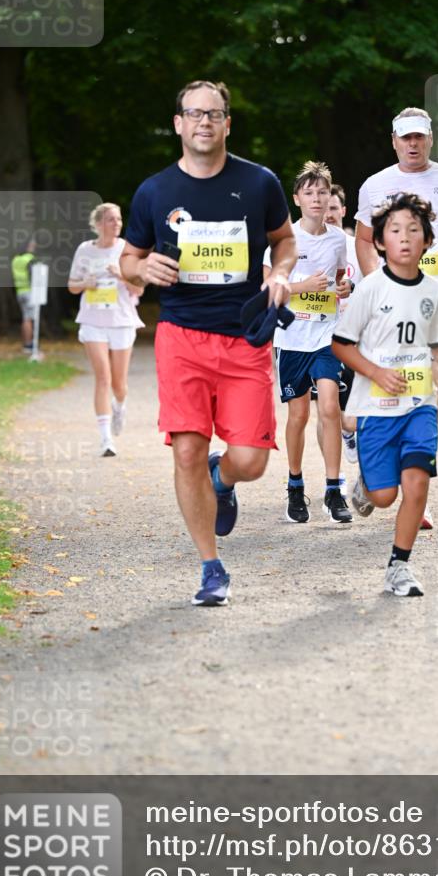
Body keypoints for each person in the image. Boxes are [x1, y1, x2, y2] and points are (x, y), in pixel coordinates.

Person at [120, 79, 296, 607]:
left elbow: (285, 240)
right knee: (187, 450)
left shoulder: (259, 182)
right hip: (181, 336)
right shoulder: (154, 191)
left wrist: (279, 273)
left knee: (252, 460)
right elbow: (127, 259)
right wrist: (141, 269)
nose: (204, 122)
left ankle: (223, 477)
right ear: (178, 123)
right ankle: (211, 568)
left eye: (213, 114)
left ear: (227, 124)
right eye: (194, 114)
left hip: (244, 337)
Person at [355, 107, 438, 530]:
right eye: (406, 137)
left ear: (430, 139)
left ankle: (417, 493)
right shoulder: (375, 185)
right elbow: (363, 241)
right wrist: (375, 282)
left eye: (419, 136)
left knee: (432, 395)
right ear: (394, 141)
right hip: (390, 306)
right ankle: (375, 465)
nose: (413, 143)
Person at [332, 193, 438, 596]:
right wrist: (376, 372)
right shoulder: (370, 289)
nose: (405, 237)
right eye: (394, 230)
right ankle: (367, 484)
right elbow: (341, 345)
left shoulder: (436, 292)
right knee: (384, 496)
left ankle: (399, 567)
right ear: (379, 241)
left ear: (428, 241)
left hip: (419, 404)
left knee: (417, 483)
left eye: (413, 230)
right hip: (376, 406)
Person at [266, 161, 352, 524]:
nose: (317, 198)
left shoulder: (338, 239)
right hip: (291, 338)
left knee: (330, 406)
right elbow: (268, 287)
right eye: (310, 192)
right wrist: (303, 287)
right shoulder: (284, 239)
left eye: (323, 192)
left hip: (326, 335)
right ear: (297, 199)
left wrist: (343, 287)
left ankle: (334, 490)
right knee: (299, 415)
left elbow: (339, 278)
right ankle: (295, 485)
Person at [68, 203, 144, 456]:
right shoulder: (84, 250)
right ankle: (106, 439)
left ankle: (119, 407)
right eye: (111, 219)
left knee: (119, 384)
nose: (117, 224)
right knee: (103, 378)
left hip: (121, 320)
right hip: (93, 320)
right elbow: (72, 286)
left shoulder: (127, 250)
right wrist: (85, 283)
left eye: (119, 219)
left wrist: (121, 275)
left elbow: (139, 289)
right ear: (99, 223)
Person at [326, 184, 363, 464]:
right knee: (328, 408)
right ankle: (334, 475)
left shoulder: (358, 247)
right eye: (324, 208)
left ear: (343, 211)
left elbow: (374, 282)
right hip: (322, 335)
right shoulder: (307, 245)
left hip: (356, 335)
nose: (328, 213)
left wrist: (353, 288)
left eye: (333, 208)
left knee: (351, 417)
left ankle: (350, 433)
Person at [11, 236, 37, 354]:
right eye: (32, 245)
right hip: (29, 292)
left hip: (19, 291)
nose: (34, 246)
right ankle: (30, 344)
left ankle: (26, 343)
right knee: (30, 319)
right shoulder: (30, 259)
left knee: (25, 318)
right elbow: (34, 276)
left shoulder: (16, 259)